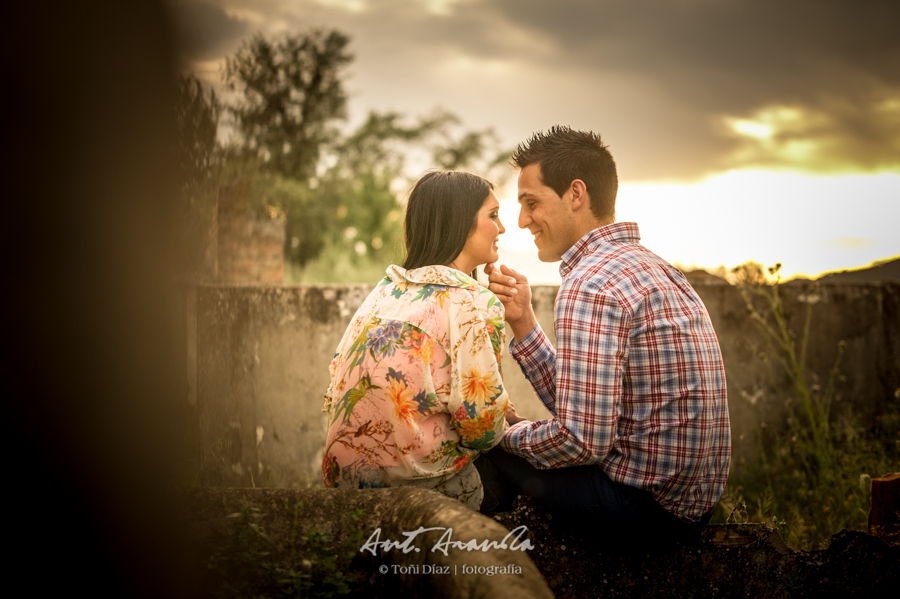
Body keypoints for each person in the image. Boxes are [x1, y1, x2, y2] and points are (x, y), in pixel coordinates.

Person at [482, 126, 731, 540]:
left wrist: (504, 432)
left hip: (646, 508)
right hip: (693, 504)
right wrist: (523, 321)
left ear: (575, 194)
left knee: (478, 448)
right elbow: (585, 408)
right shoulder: (654, 267)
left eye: (531, 202)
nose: (522, 220)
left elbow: (582, 442)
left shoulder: (590, 284)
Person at [322, 170, 511, 511]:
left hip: (345, 484)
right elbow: (483, 429)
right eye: (493, 216)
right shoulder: (471, 302)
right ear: (459, 223)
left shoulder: (384, 292)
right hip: (420, 489)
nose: (502, 228)